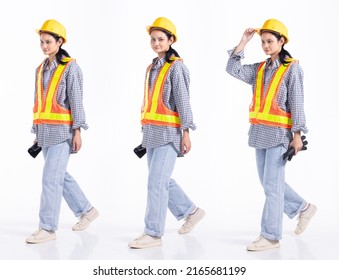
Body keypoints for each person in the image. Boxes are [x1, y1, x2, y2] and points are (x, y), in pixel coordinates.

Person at [226, 18, 317, 251]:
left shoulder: (292, 69)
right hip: (259, 133)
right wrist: (243, 42)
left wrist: (297, 134)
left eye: (270, 41)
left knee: (272, 186)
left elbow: (297, 102)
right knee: (269, 183)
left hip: (279, 135)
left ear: (282, 41)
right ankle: (303, 208)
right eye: (263, 42)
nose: (265, 45)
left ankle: (271, 236)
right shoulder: (259, 69)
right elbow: (232, 69)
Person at [128, 17, 205, 249]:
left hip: (169, 134)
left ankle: (153, 233)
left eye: (161, 39)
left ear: (171, 40)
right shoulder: (152, 67)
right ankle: (190, 212)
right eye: (153, 39)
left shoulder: (177, 67)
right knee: (160, 180)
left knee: (156, 182)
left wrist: (186, 132)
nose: (156, 43)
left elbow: (183, 101)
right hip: (151, 133)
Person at [26, 19, 99, 244]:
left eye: (49, 42)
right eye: (42, 42)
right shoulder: (40, 69)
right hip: (45, 132)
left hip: (63, 133)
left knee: (50, 177)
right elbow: (39, 103)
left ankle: (47, 228)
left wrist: (78, 131)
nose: (45, 46)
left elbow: (77, 101)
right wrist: (36, 130)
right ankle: (86, 211)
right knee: (58, 176)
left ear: (60, 41)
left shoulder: (71, 68)